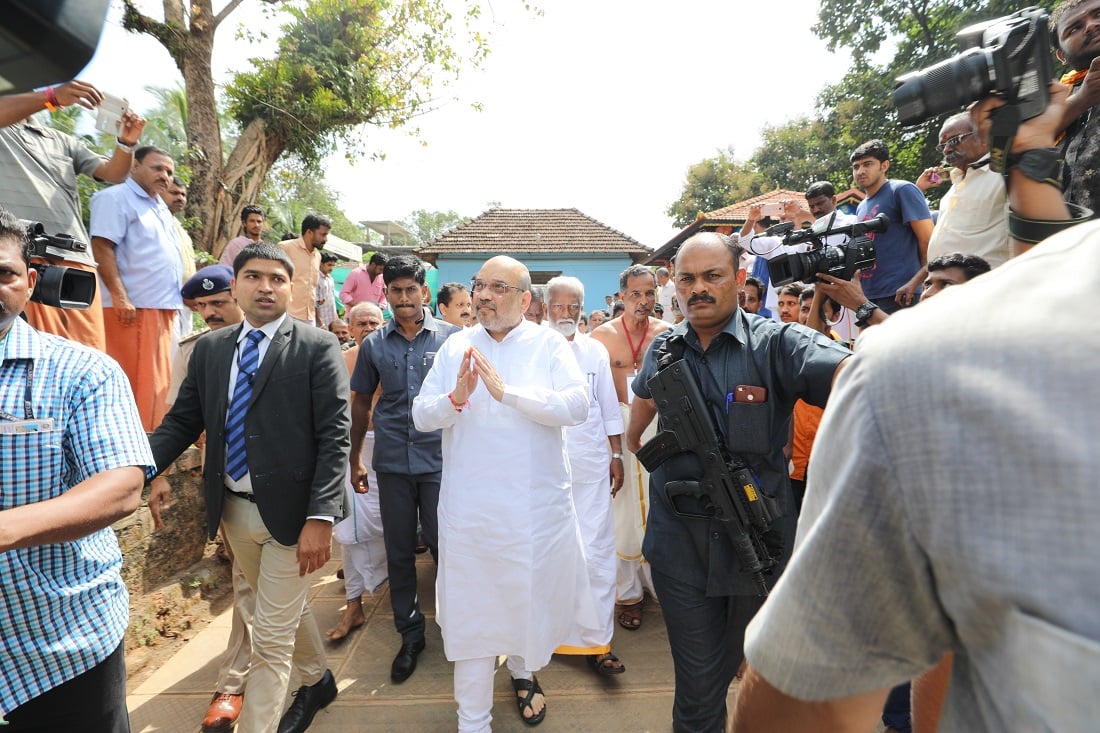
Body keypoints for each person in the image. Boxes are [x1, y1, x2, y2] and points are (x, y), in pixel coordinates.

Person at [731, 86, 1092, 733]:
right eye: (948, 138)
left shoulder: (913, 366)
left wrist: (894, 317)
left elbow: (803, 705)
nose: (955, 144)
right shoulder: (906, 360)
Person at [626, 232, 851, 733]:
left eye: (713, 276)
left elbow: (850, 376)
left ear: (740, 280)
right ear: (673, 285)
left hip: (758, 547)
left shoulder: (777, 343)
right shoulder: (663, 345)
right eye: (687, 279)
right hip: (679, 546)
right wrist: (631, 437)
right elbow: (644, 393)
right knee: (700, 687)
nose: (698, 289)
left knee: (761, 677)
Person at [147, 242, 348, 733]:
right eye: (254, 277)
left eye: (276, 279)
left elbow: (334, 436)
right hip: (233, 512)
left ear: (291, 287)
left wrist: (320, 519)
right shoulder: (212, 350)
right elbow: (181, 422)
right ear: (235, 285)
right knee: (284, 609)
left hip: (294, 518)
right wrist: (142, 469)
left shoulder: (316, 346)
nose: (265, 286)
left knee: (270, 640)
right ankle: (318, 679)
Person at [411, 256, 596, 732]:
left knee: (525, 602)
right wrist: (455, 398)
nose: (484, 295)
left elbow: (577, 405)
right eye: (479, 286)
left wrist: (508, 393)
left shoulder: (549, 345)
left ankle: (521, 671)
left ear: (525, 299)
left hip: (533, 513)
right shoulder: (457, 346)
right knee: (474, 614)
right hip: (470, 511)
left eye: (498, 287)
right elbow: (420, 415)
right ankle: (473, 721)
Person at [0, 207, 154, 731]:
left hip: (61, 642)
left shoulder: (83, 370)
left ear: (29, 282)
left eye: (4, 273)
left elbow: (121, 485)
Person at [149, 264, 254, 732]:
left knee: (264, 590)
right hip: (228, 487)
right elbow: (178, 420)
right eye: (201, 306)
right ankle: (270, 674)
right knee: (251, 585)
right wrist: (157, 473)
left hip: (287, 490)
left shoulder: (296, 343)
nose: (210, 313)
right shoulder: (195, 353)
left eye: (219, 302)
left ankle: (235, 682)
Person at [348, 255, 459, 684]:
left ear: (425, 292)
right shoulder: (374, 345)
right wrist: (356, 456)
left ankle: (456, 628)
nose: (404, 298)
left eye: (411, 289)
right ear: (386, 294)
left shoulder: (453, 339)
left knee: (445, 548)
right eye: (396, 290)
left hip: (440, 463)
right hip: (392, 461)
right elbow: (361, 402)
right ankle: (410, 635)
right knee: (398, 552)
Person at [0, 79, 145, 351]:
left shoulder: (61, 140)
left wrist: (126, 143)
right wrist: (52, 97)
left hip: (75, 258)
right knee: (32, 355)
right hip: (22, 258)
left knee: (87, 354)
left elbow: (113, 173)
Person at [544, 276, 627, 676]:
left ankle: (597, 642)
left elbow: (608, 405)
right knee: (552, 552)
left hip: (592, 463)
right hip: (542, 471)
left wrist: (616, 453)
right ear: (544, 307)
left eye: (572, 307)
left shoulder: (594, 350)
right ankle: (547, 636)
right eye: (558, 306)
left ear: (582, 308)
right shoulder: (532, 347)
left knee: (595, 551)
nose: (565, 314)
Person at [590, 265, 671, 632]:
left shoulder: (667, 334)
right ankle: (628, 595)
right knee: (621, 513)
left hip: (658, 425)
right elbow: (594, 398)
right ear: (620, 296)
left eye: (649, 293)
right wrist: (610, 449)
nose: (643, 301)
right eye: (635, 294)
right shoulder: (601, 338)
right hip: (617, 428)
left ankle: (662, 588)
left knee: (661, 506)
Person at [90, 145, 182, 432]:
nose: (165, 176)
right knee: (133, 382)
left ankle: (153, 447)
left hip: (163, 308)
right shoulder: (115, 198)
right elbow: (102, 247)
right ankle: (128, 448)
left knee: (157, 384)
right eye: (157, 168)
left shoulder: (159, 207)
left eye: (169, 171)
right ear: (134, 167)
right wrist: (120, 297)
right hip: (132, 308)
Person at [328, 301, 388, 643]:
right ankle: (354, 604)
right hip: (352, 455)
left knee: (394, 526)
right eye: (360, 322)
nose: (367, 327)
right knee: (350, 531)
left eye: (373, 322)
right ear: (350, 330)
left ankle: (388, 585)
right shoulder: (339, 362)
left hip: (391, 452)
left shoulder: (394, 355)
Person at [850, 139, 934, 312]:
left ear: (884, 165)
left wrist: (917, 283)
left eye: (867, 164)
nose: (860, 171)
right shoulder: (861, 206)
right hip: (869, 297)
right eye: (856, 167)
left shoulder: (902, 190)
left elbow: (929, 241)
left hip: (902, 294)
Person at [916, 113, 1010, 267]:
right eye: (943, 145)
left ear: (983, 137)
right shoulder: (952, 189)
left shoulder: (1003, 176)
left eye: (954, 140)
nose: (946, 150)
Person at [1053, 0, 1100, 218]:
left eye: (1098, 14)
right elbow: (1023, 141)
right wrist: (1081, 99)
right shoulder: (1056, 96)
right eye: (1074, 28)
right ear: (1061, 56)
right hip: (1075, 242)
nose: (1090, 25)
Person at [279, 213, 330, 326]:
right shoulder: (285, 248)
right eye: (322, 235)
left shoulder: (317, 256)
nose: (325, 239)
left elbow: (310, 287)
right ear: (309, 232)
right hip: (287, 314)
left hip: (309, 317)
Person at [165, 176, 197, 340]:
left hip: (186, 299)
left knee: (185, 345)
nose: (180, 198)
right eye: (174, 193)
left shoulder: (178, 226)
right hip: (168, 298)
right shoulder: (157, 222)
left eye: (183, 194)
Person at [316, 252, 340, 330]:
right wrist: (321, 323)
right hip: (320, 322)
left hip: (331, 319)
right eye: (329, 265)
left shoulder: (330, 279)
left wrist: (336, 319)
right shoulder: (316, 279)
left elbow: (332, 300)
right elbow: (315, 303)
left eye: (333, 265)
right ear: (321, 264)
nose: (331, 268)